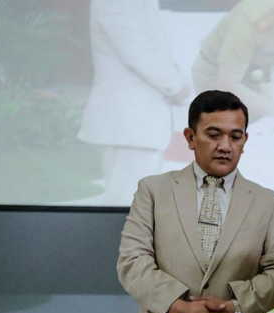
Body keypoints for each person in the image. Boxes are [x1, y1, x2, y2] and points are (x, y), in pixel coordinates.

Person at [118, 90, 274, 313]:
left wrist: (235, 308)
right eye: (213, 135)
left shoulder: (268, 201)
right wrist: (176, 307)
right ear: (190, 137)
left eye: (235, 137)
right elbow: (132, 261)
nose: (225, 146)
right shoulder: (153, 191)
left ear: (245, 140)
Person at [78, 0, 191, 205]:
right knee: (127, 207)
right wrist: (176, 87)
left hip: (142, 126)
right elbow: (139, 53)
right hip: (130, 124)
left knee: (140, 208)